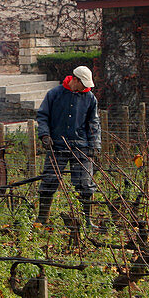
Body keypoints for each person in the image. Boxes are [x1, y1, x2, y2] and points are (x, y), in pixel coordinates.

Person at [35, 65, 101, 227]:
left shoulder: (90, 98)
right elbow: (43, 116)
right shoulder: (54, 95)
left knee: (85, 184)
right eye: (83, 84)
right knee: (49, 181)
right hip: (57, 146)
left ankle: (87, 221)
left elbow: (94, 123)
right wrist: (45, 135)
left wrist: (95, 145)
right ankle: (42, 219)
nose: (86, 87)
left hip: (82, 147)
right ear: (75, 80)